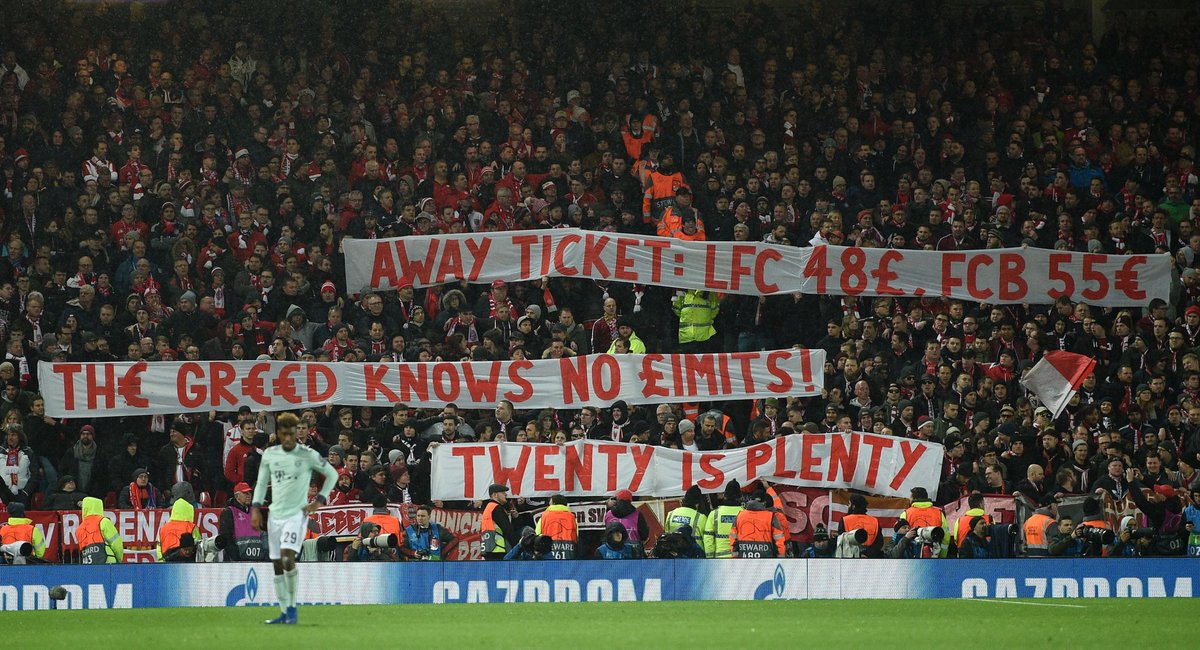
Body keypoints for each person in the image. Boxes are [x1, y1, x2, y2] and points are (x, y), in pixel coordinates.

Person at [251, 412, 338, 625]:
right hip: (274, 515)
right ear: (279, 434)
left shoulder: (307, 454)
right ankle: (285, 611)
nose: (288, 438)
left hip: (296, 515)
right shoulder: (270, 454)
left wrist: (318, 500)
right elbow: (262, 483)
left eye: (292, 433)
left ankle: (292, 609)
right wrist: (255, 508)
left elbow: (333, 474)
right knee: (277, 564)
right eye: (284, 434)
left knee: (287, 555)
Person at [218, 482, 267, 561]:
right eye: (245, 493)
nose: (248, 495)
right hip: (237, 562)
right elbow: (226, 538)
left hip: (258, 561)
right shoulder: (229, 512)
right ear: (237, 496)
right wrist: (237, 558)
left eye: (249, 493)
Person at [902, 486, 949, 557]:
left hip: (911, 556)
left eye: (910, 497)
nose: (909, 499)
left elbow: (901, 538)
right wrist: (942, 556)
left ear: (914, 499)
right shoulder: (939, 513)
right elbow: (946, 537)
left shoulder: (905, 514)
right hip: (934, 555)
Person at [703, 480, 744, 558]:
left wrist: (710, 558)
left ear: (725, 496)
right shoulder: (744, 513)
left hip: (720, 559)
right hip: (739, 559)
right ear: (740, 496)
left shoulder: (715, 514)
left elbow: (708, 538)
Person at [77, 496, 123, 564]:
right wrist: (119, 560)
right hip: (108, 563)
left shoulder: (80, 528)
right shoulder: (104, 522)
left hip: (88, 565)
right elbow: (116, 544)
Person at [603, 488, 648, 557]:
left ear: (617, 500)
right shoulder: (637, 514)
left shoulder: (608, 514)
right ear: (630, 501)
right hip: (634, 550)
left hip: (612, 551)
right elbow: (644, 535)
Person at [534, 494, 578, 559]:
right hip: (569, 550)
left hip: (548, 550)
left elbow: (537, 534)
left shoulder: (544, 516)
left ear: (553, 503)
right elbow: (576, 535)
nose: (549, 503)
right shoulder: (572, 517)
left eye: (550, 501)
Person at [481, 482, 517, 560]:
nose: (505, 495)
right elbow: (508, 529)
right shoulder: (496, 508)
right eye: (503, 492)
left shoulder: (489, 507)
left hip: (490, 548)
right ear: (495, 495)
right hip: (499, 549)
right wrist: (516, 547)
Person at [664, 485, 707, 550]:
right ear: (697, 503)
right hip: (695, 557)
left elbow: (667, 536)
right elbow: (707, 541)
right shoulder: (701, 518)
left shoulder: (670, 514)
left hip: (674, 556)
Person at [157, 497, 198, 562]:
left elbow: (159, 548)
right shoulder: (192, 527)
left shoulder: (163, 528)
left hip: (166, 563)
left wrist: (162, 562)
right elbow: (198, 546)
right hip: (187, 564)